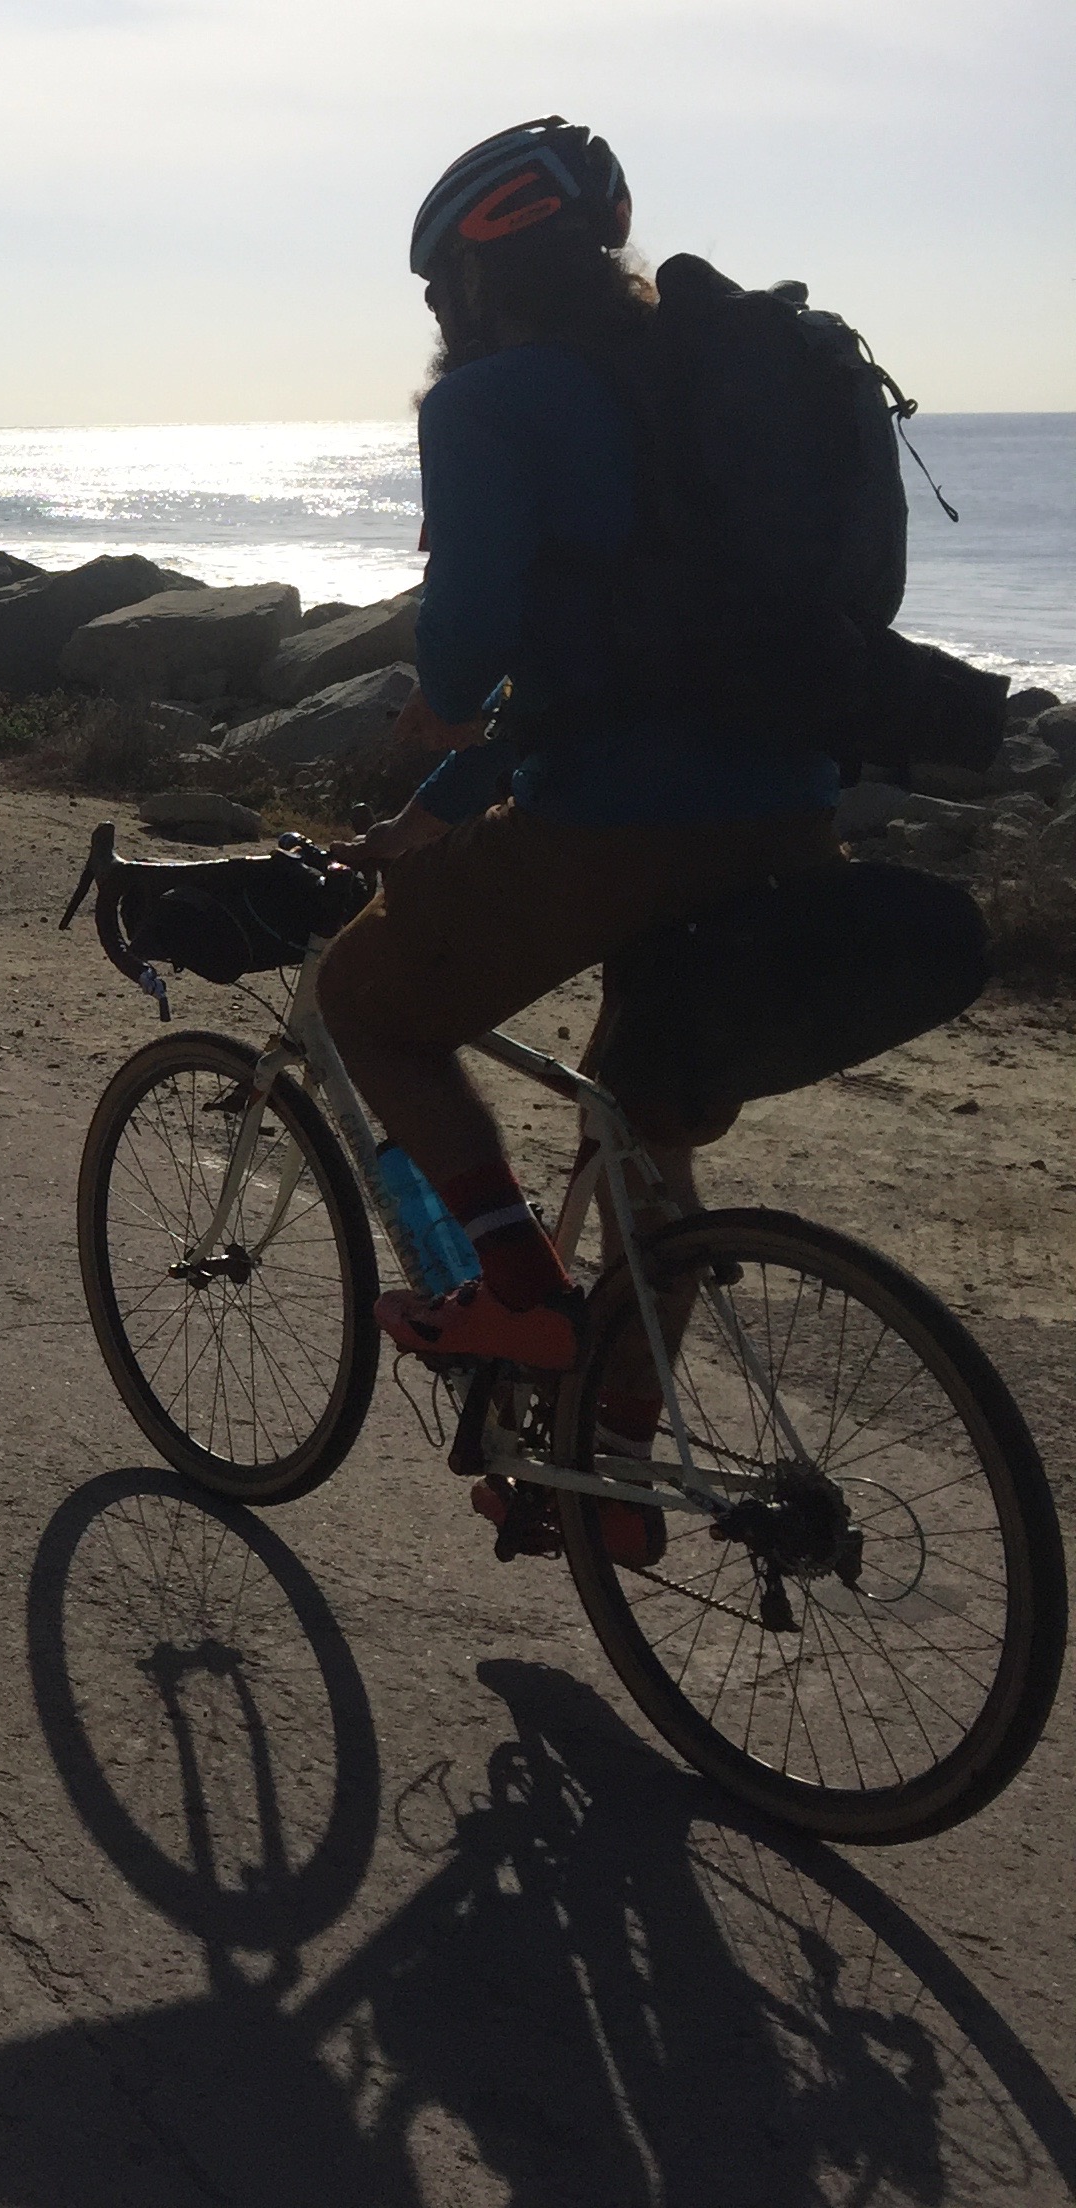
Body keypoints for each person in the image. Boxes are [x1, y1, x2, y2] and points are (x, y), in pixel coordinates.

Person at [320, 120, 841, 1523]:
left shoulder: (491, 405)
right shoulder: (695, 390)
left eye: (440, 290)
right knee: (637, 1117)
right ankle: (603, 1456)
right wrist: (448, 803)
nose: (438, 318)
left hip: (624, 820)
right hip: (792, 806)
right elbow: (622, 658)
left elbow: (477, 636)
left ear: (485, 277)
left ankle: (513, 1291)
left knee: (363, 998)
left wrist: (433, 707)